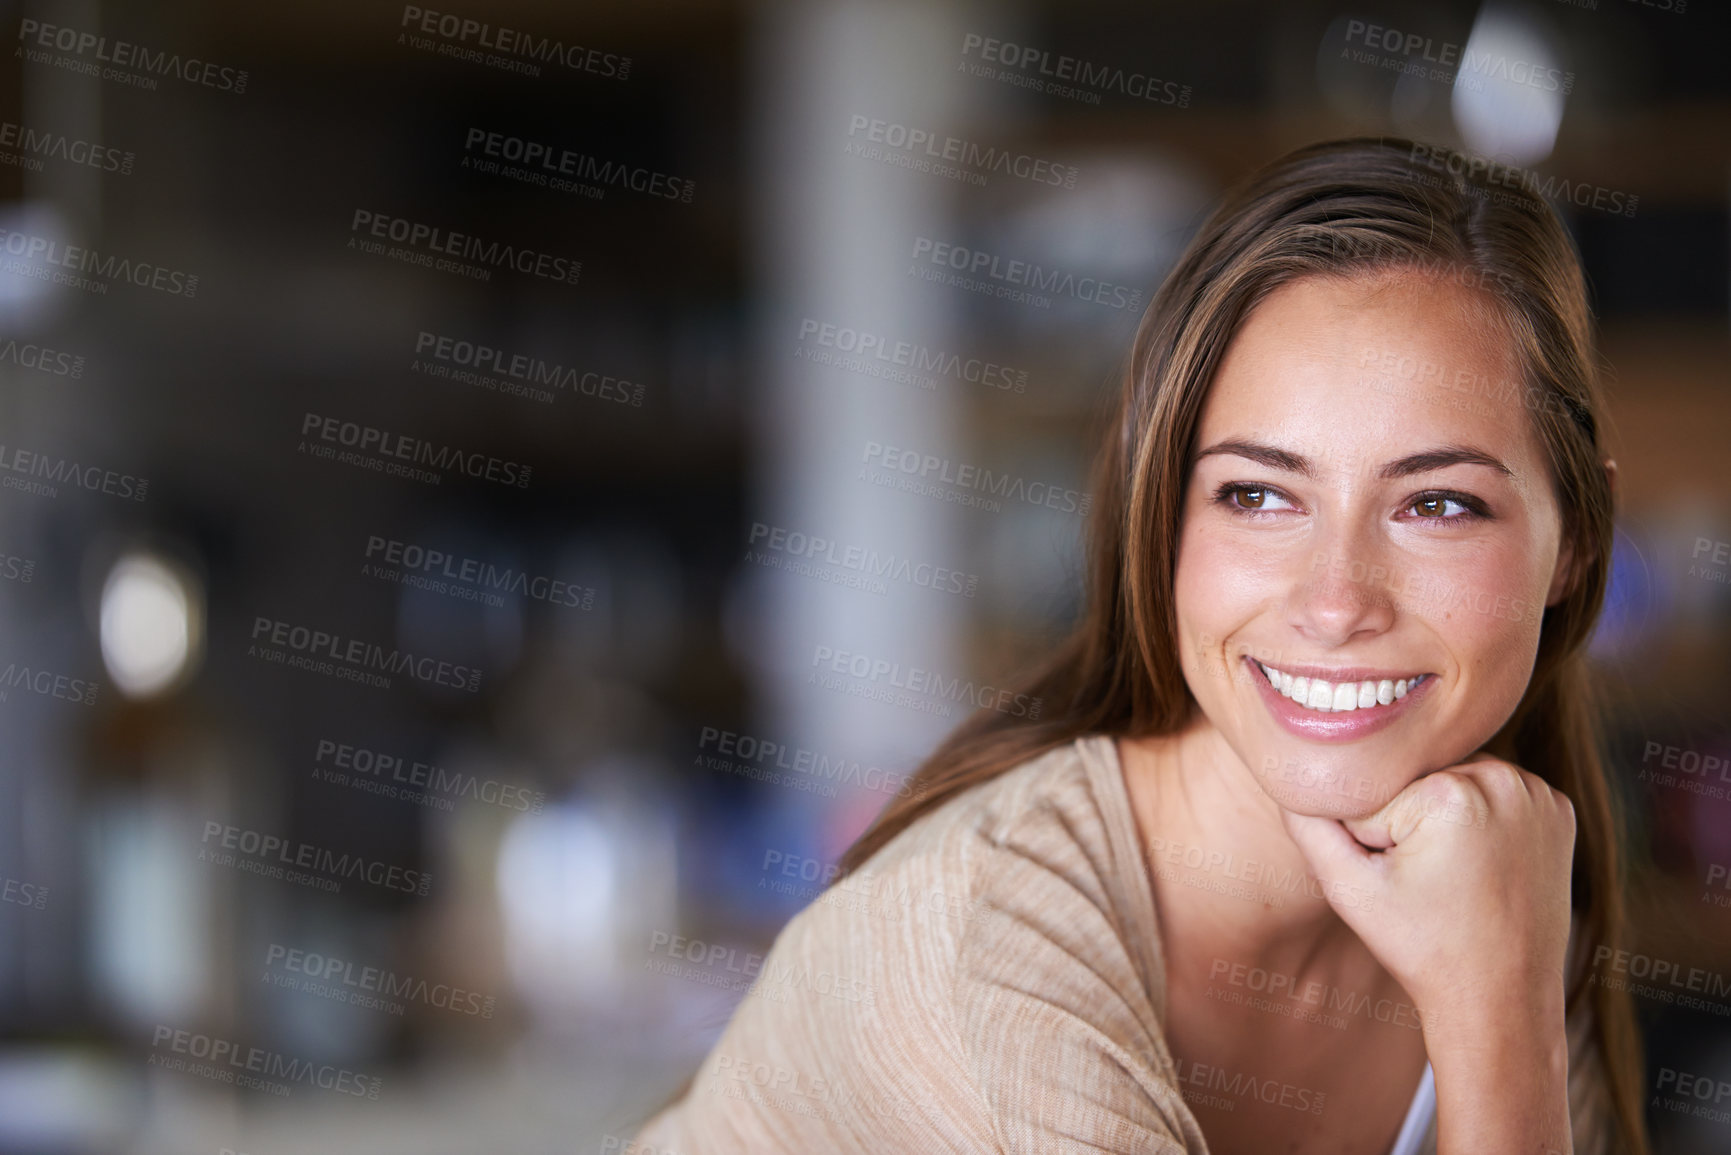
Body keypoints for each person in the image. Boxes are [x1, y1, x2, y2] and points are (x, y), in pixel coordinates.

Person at [630, 136, 1650, 1155]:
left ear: (1579, 540)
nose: (1336, 602)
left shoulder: (1494, 883)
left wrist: (1501, 1007)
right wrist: (1497, 1028)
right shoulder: (996, 944)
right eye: (1256, 495)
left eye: (1437, 504)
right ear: (1161, 517)